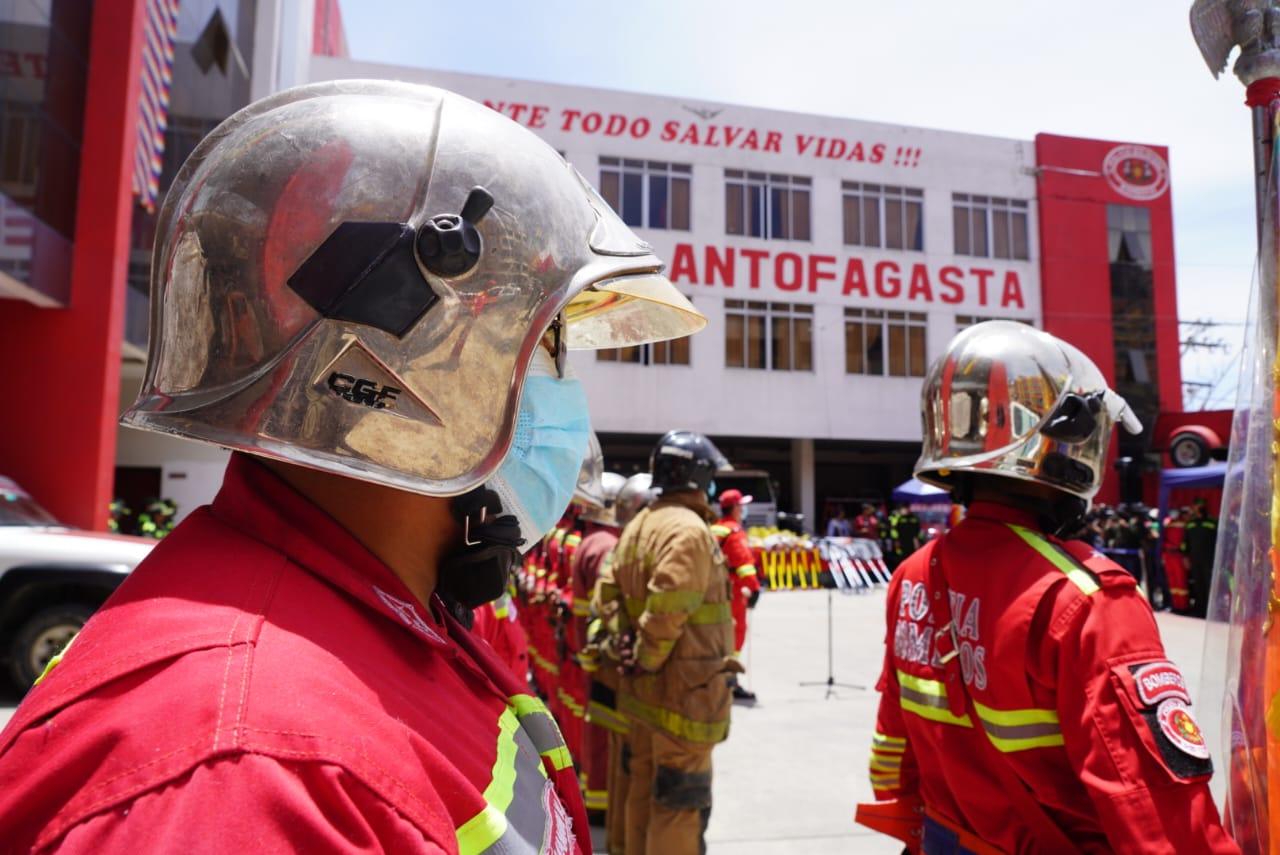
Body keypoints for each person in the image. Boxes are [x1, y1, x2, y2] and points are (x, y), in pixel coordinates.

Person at [0, 81, 705, 852]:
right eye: (550, 350)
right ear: (406, 358)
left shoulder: (384, 610)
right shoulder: (246, 778)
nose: (568, 398)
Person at [856, 321, 1237, 852]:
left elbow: (893, 742)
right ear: (1065, 438)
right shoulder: (1085, 599)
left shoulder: (913, 574)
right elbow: (1152, 812)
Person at [608, 431, 738, 855]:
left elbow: (607, 597)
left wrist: (626, 649)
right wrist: (646, 656)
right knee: (678, 804)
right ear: (697, 477)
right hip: (685, 699)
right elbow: (670, 605)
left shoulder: (636, 526)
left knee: (641, 790)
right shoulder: (688, 530)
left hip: (643, 698)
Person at [587, 471, 658, 855]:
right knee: (625, 762)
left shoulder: (614, 546)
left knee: (616, 757)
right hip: (624, 675)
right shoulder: (612, 548)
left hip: (605, 663)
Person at [711, 488, 762, 703]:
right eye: (741, 505)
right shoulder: (734, 532)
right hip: (733, 592)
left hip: (715, 591)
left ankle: (717, 679)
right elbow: (744, 566)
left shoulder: (714, 528)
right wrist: (755, 589)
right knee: (736, 635)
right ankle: (730, 682)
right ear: (734, 508)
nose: (744, 509)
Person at [1183, 498, 1220, 619]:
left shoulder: (1213, 522)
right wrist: (1185, 557)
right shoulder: (1190, 523)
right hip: (1195, 559)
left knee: (1209, 585)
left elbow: (1220, 542)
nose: (1195, 508)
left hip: (1209, 560)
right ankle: (1199, 609)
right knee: (1198, 584)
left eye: (1197, 506)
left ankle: (1210, 611)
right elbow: (1185, 542)